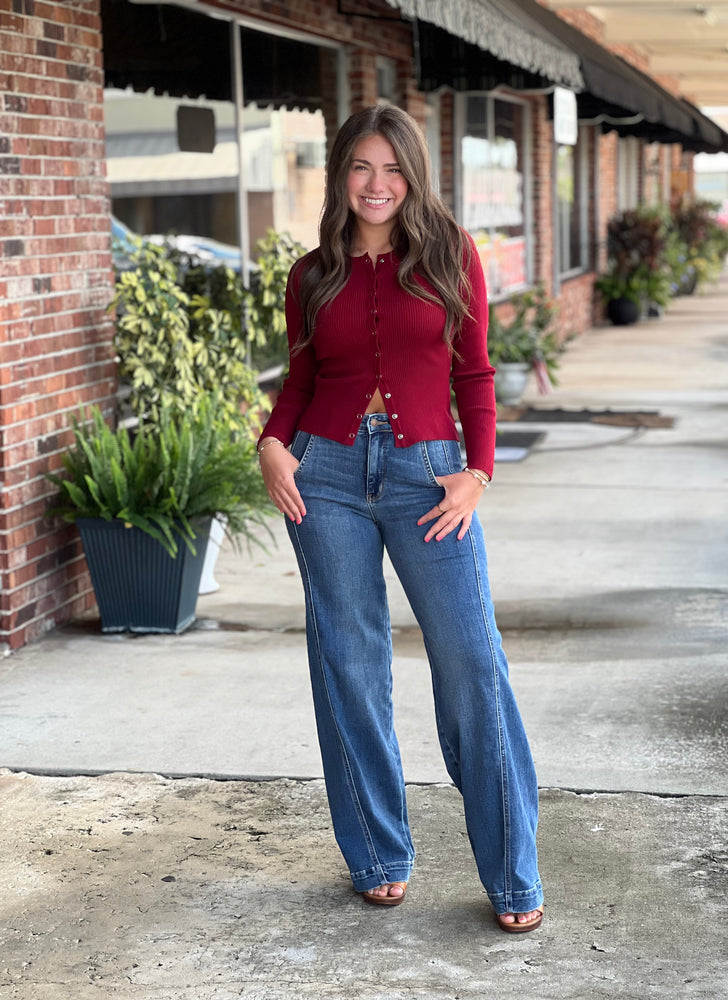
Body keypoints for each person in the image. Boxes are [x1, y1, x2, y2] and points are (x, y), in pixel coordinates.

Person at [257, 104, 543, 933]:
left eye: (393, 169)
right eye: (361, 168)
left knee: (471, 664)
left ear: (413, 176)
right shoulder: (313, 273)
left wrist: (477, 474)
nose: (377, 185)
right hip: (327, 477)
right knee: (349, 665)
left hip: (429, 478)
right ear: (341, 174)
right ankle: (378, 855)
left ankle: (513, 871)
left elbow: (477, 374)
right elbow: (301, 382)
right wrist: (274, 444)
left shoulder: (450, 255)